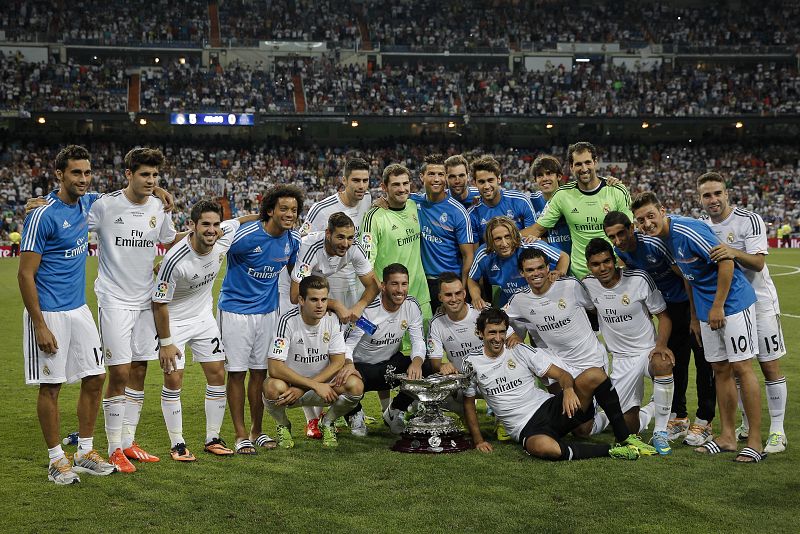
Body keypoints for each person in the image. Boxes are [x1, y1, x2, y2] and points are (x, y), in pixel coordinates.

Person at [632, 192, 765, 463]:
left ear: (662, 211)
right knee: (720, 369)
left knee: (742, 367)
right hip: (705, 311)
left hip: (734, 304)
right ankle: (727, 436)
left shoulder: (686, 229)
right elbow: (689, 278)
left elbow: (726, 261)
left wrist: (717, 305)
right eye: (640, 220)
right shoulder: (663, 239)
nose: (646, 223)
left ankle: (755, 441)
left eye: (650, 216)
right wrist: (695, 316)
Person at [19, 145, 115, 484]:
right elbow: (25, 274)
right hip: (49, 313)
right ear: (59, 174)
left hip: (79, 309)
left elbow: (122, 195)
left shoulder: (88, 203)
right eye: (76, 173)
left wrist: (157, 189)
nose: (84, 179)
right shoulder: (42, 214)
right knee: (51, 386)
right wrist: (39, 325)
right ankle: (56, 459)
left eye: (87, 173)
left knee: (95, 376)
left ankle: (84, 451)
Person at [89, 148, 178, 472]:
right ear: (129, 174)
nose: (151, 181)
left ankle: (128, 442)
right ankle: (113, 447)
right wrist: (43, 205)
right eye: (145, 174)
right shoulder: (106, 205)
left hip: (145, 301)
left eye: (155, 176)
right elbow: (71, 215)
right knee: (120, 372)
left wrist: (202, 233)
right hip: (113, 299)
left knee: (140, 369)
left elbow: (169, 240)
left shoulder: (159, 206)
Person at [461, 308, 641, 461]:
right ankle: (611, 450)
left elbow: (562, 374)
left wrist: (568, 389)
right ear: (480, 333)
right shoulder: (471, 363)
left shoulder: (519, 350)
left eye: (502, 332)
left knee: (594, 374)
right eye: (492, 332)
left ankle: (624, 438)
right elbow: (469, 404)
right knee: (545, 448)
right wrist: (479, 440)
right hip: (525, 427)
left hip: (551, 408)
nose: (498, 338)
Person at [152, 201, 254, 461]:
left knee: (218, 373)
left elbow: (241, 220)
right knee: (174, 380)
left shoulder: (223, 237)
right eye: (205, 224)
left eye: (216, 224)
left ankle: (212, 438)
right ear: (192, 226)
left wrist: (264, 215)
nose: (212, 230)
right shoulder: (174, 260)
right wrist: (165, 342)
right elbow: (159, 303)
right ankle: (177, 443)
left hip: (203, 318)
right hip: (173, 322)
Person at [603, 211, 716, 445]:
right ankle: (679, 417)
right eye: (611, 237)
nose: (617, 241)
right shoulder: (619, 251)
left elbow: (687, 276)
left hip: (691, 303)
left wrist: (695, 316)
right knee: (677, 361)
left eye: (621, 234)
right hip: (670, 309)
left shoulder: (655, 245)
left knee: (705, 362)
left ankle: (705, 421)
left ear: (631, 228)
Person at [698, 172, 788, 454]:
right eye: (706, 195)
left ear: (727, 194)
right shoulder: (701, 226)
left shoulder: (748, 219)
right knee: (735, 367)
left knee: (769, 365)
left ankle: (777, 430)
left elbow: (759, 263)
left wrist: (731, 252)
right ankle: (746, 425)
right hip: (730, 305)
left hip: (760, 302)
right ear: (700, 199)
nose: (713, 200)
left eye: (717, 193)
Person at [217, 185, 303, 454]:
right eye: (284, 209)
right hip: (235, 312)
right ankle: (240, 434)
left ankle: (257, 430)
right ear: (270, 210)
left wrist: (297, 291)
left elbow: (296, 269)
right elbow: (212, 244)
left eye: (294, 210)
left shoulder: (293, 240)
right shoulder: (244, 236)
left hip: (267, 314)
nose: (290, 214)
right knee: (236, 373)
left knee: (259, 373)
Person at [582, 238, 676, 455]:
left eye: (607, 261)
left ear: (615, 260)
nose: (603, 268)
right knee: (625, 430)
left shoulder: (639, 279)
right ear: (589, 266)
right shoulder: (587, 285)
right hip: (621, 360)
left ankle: (660, 432)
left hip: (647, 351)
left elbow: (664, 316)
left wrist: (660, 345)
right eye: (596, 264)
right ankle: (652, 408)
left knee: (662, 362)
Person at [264, 275, 365, 448]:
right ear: (301, 300)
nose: (320, 305)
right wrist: (310, 385)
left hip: (323, 389)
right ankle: (283, 424)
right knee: (271, 387)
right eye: (314, 300)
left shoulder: (332, 320)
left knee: (356, 385)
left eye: (324, 299)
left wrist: (305, 387)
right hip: (291, 391)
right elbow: (274, 367)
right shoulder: (286, 321)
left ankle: (327, 422)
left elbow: (338, 361)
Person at [343, 263, 433, 435]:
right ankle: (354, 412)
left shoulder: (411, 306)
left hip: (389, 365)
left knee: (426, 366)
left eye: (404, 284)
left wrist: (416, 362)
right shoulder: (368, 311)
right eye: (394, 284)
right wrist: (348, 364)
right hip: (362, 368)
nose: (400, 290)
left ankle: (395, 411)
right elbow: (348, 344)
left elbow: (418, 342)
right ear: (383, 286)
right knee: (343, 375)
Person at [522, 142, 632, 280]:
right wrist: (505, 236)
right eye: (579, 164)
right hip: (581, 276)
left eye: (588, 162)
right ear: (571, 166)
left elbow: (630, 233)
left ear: (595, 162)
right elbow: (537, 229)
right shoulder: (562, 195)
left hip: (614, 271)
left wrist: (621, 268)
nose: (584, 168)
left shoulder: (616, 190)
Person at [360, 164, 431, 320]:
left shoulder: (414, 206)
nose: (402, 189)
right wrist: (382, 293)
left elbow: (443, 193)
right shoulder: (373, 218)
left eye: (405, 184)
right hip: (392, 299)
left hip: (421, 296)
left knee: (423, 343)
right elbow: (364, 264)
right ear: (384, 187)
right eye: (396, 184)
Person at [410, 154, 475, 312]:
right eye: (431, 174)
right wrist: (381, 201)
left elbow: (468, 255)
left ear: (445, 177)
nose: (436, 179)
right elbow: (391, 198)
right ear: (422, 176)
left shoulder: (458, 211)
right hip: (421, 281)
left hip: (449, 282)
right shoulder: (412, 202)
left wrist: (463, 289)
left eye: (441, 174)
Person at [290, 212, 380, 324]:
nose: (345, 244)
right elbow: (295, 296)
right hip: (290, 284)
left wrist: (360, 306)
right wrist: (335, 304)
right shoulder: (310, 247)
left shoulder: (355, 247)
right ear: (328, 233)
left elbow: (373, 284)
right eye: (340, 237)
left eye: (350, 238)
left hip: (312, 285)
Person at [468, 216, 568, 309]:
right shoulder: (484, 253)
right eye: (498, 239)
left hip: (542, 299)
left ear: (514, 236)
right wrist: (476, 297)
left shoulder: (531, 244)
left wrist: (559, 272)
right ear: (491, 241)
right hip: (508, 304)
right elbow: (472, 279)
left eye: (507, 237)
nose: (504, 243)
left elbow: (563, 257)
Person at [427, 272, 483, 415]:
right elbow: (435, 364)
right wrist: (442, 366)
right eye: (448, 295)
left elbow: (509, 337)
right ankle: (463, 411)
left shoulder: (482, 313)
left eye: (458, 293)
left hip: (491, 378)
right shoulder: (436, 323)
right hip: (461, 382)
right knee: (430, 388)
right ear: (440, 297)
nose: (454, 299)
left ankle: (502, 417)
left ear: (464, 293)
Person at [467, 155, 541, 246]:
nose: (486, 186)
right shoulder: (472, 214)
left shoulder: (520, 201)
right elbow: (475, 252)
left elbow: (532, 235)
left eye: (490, 180)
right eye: (481, 182)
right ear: (474, 183)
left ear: (499, 179)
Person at [529, 154, 571, 256]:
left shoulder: (571, 199)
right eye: (540, 175)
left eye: (549, 173)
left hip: (575, 260)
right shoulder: (530, 202)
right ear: (535, 179)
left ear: (559, 176)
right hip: (547, 264)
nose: (545, 178)